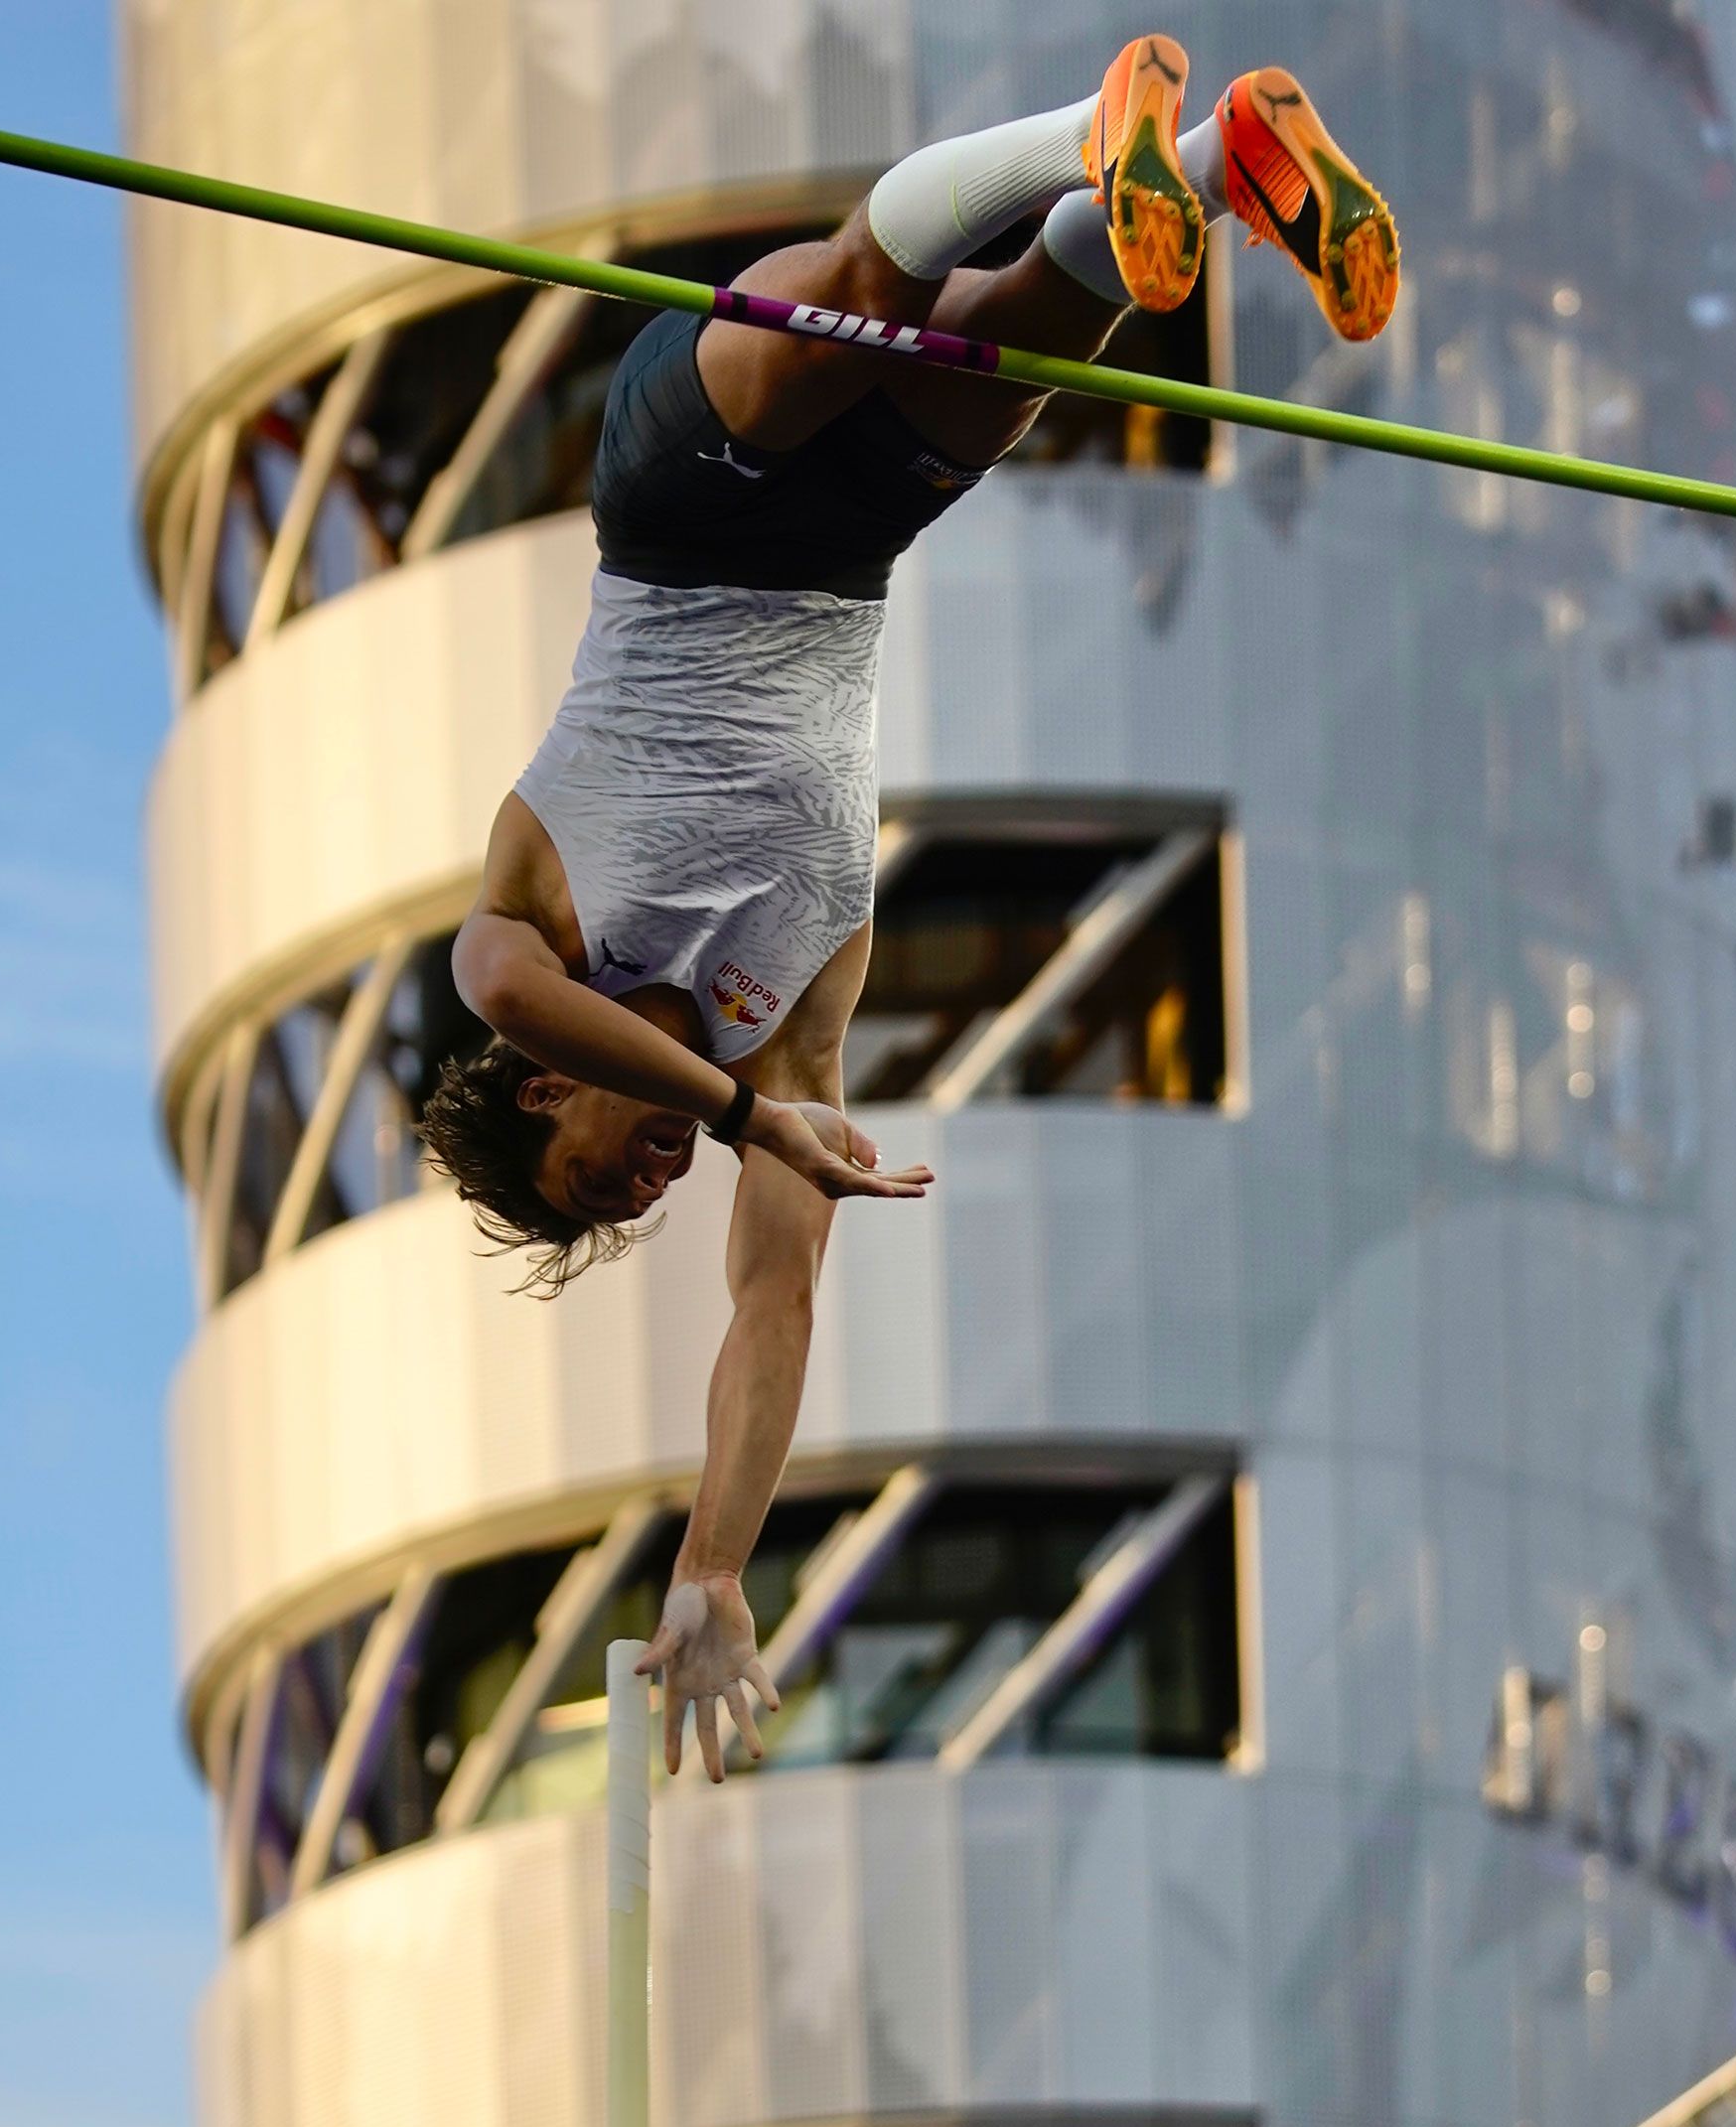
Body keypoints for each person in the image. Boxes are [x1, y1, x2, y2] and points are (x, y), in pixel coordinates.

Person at [416, 37, 1399, 1780]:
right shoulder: (784, 1034)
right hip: (849, 560)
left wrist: (731, 1125)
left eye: (606, 1163)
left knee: (864, 295)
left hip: (680, 490)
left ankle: (1084, 130)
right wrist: (716, 1567)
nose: (656, 1176)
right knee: (1035, 327)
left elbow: (498, 999)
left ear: (550, 1092)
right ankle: (1225, 157)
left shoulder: (534, 932)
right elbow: (771, 1313)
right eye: (646, 1191)